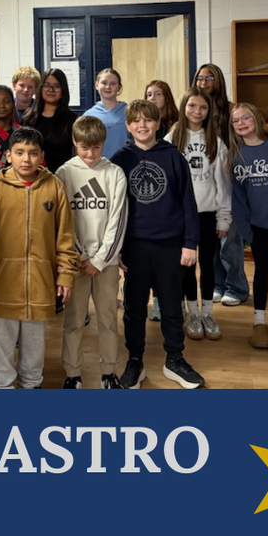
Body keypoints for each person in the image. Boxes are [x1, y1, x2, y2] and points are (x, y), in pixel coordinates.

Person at [0, 127, 79, 389]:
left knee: (34, 348)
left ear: (41, 156)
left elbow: (65, 236)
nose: (26, 159)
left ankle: (31, 385)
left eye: (33, 153)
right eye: (19, 153)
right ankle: (1, 388)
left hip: (40, 285)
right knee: (1, 346)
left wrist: (65, 275)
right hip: (2, 287)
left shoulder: (54, 186)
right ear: (8, 155)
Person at [113, 99, 204, 389]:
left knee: (171, 305)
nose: (142, 125)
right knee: (134, 308)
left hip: (169, 244)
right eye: (136, 121)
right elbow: (115, 210)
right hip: (135, 246)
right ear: (128, 125)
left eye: (148, 120)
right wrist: (117, 249)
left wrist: (190, 243)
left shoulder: (174, 157)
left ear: (158, 123)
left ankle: (174, 359)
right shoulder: (120, 160)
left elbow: (188, 203)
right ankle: (135, 360)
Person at [56, 116, 129, 389]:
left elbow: (118, 221)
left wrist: (98, 260)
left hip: (105, 264)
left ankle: (109, 372)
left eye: (96, 147)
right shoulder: (63, 174)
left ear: (103, 144)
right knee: (73, 321)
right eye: (84, 147)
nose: (90, 154)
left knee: (108, 319)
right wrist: (80, 256)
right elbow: (62, 222)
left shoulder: (114, 173)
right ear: (75, 142)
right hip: (75, 263)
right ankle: (73, 374)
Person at [166, 88, 231, 342]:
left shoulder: (216, 141)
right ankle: (193, 313)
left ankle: (208, 314)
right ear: (184, 107)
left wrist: (223, 217)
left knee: (208, 265)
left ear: (209, 111)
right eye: (192, 105)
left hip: (207, 214)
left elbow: (223, 185)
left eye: (203, 107)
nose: (197, 111)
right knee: (186, 267)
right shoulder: (173, 138)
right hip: (182, 217)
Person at [229, 102, 268, 352]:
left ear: (256, 117)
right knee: (261, 272)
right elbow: (238, 199)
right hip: (258, 228)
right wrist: (246, 232)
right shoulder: (236, 156)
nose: (241, 123)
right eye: (236, 120)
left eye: (246, 117)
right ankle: (259, 322)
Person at [195, 62, 249, 307]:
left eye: (209, 78)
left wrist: (233, 161)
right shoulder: (197, 111)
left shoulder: (231, 109)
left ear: (218, 80)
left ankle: (236, 286)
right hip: (206, 184)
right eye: (200, 78)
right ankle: (217, 283)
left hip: (229, 181)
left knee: (229, 238)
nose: (204, 82)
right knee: (212, 238)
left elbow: (243, 140)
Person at [24, 67, 78, 173]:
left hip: (62, 177)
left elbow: (79, 155)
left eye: (56, 86)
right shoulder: (28, 117)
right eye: (46, 85)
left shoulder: (72, 120)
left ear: (63, 90)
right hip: (32, 176)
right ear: (40, 88)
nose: (51, 90)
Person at [83, 67, 128, 159]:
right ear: (97, 85)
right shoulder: (88, 116)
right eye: (104, 83)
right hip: (97, 164)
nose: (108, 87)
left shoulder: (129, 112)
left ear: (119, 87)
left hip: (125, 163)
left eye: (113, 84)